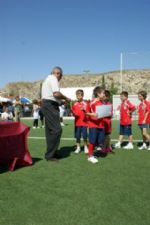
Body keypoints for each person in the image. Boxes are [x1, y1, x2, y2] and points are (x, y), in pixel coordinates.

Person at [41, 66, 71, 162]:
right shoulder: (53, 78)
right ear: (58, 74)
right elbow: (56, 94)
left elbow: (51, 97)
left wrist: (60, 102)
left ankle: (51, 153)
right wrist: (66, 98)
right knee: (57, 130)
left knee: (50, 131)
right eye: (60, 75)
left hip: (48, 104)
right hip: (50, 106)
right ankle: (50, 154)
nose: (60, 77)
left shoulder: (47, 79)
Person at [86, 86, 105, 163]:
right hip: (93, 124)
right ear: (98, 94)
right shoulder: (92, 102)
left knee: (100, 140)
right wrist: (92, 114)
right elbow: (86, 113)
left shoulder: (102, 102)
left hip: (101, 124)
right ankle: (90, 156)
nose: (104, 94)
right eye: (103, 93)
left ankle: (92, 153)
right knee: (92, 140)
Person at [71, 89, 88, 154]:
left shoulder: (86, 104)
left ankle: (85, 147)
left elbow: (88, 113)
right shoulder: (75, 104)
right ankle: (78, 148)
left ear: (82, 95)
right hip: (77, 123)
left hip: (84, 123)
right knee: (77, 136)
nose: (77, 96)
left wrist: (85, 111)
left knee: (85, 136)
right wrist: (73, 114)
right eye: (77, 95)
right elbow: (73, 113)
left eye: (79, 95)